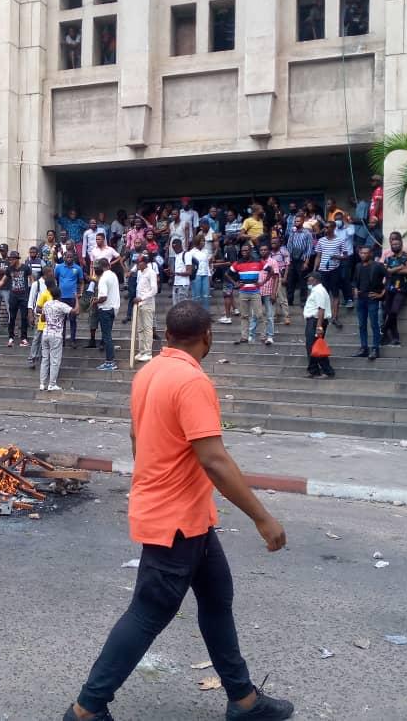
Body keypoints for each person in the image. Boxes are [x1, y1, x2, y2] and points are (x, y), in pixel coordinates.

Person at [63, 300, 292, 721]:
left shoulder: (148, 372)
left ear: (166, 335)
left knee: (217, 598)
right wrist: (263, 517)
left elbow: (137, 438)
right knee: (148, 613)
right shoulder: (191, 381)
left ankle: (243, 700)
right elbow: (214, 459)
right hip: (175, 523)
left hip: (189, 516)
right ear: (207, 337)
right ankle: (87, 709)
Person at [40, 283, 78, 391]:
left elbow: (42, 318)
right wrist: (76, 298)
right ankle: (52, 384)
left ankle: (42, 383)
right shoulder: (61, 305)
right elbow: (76, 311)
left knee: (45, 359)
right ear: (60, 295)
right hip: (56, 335)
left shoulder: (46, 304)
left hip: (45, 333)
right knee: (55, 360)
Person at [352, 245, 387, 360]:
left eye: (366, 253)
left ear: (370, 254)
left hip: (372, 299)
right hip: (361, 299)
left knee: (374, 324)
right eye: (361, 253)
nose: (363, 255)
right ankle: (364, 348)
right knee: (362, 325)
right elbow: (355, 281)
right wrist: (356, 290)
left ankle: (375, 349)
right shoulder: (358, 266)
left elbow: (390, 278)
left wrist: (382, 293)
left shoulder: (377, 266)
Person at [380, 232, 407, 347]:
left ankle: (383, 330)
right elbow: (386, 271)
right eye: (392, 245)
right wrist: (400, 267)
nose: (394, 246)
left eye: (397, 244)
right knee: (387, 312)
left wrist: (392, 270)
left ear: (401, 244)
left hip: (403, 288)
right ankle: (395, 338)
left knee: (394, 311)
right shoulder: (389, 258)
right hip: (390, 287)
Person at [0, 250, 31, 347]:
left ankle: (24, 338)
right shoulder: (9, 269)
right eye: (10, 259)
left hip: (24, 296)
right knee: (12, 317)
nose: (10, 261)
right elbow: (2, 281)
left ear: (17, 259)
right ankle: (11, 337)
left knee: (24, 317)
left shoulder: (25, 268)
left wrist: (32, 294)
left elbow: (32, 281)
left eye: (12, 259)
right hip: (13, 296)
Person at [228, 243, 262, 345]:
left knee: (259, 314)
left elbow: (270, 271)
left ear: (250, 251)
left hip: (255, 292)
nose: (244, 252)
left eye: (246, 250)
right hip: (243, 292)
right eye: (243, 251)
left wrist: (262, 283)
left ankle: (263, 336)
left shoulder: (258, 261)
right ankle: (244, 336)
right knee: (244, 316)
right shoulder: (238, 263)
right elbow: (227, 273)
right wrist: (235, 283)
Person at [303, 272, 335, 378]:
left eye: (309, 279)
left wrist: (319, 326)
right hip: (312, 321)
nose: (308, 281)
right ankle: (313, 370)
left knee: (315, 346)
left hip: (316, 321)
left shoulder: (319, 291)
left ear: (315, 280)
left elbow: (321, 309)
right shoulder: (315, 291)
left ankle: (327, 370)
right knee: (311, 346)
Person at [55, 249, 85, 348]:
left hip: (72, 298)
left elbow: (81, 282)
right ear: (64, 257)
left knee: (73, 320)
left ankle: (73, 340)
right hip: (61, 298)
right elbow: (56, 280)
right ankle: (61, 341)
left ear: (74, 258)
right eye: (67, 256)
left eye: (71, 257)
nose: (69, 258)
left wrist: (80, 292)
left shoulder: (78, 268)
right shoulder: (58, 267)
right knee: (61, 320)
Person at [94, 258, 119, 371]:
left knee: (106, 336)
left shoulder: (103, 278)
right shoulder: (113, 275)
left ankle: (110, 362)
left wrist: (95, 301)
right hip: (113, 308)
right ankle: (110, 359)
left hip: (105, 309)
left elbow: (103, 297)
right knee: (108, 335)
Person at [285, 213, 314, 308]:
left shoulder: (307, 233)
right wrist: (288, 259)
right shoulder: (292, 232)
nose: (296, 222)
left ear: (302, 222)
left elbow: (309, 249)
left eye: (298, 221)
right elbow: (289, 245)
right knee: (290, 280)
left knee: (302, 281)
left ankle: (303, 300)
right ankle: (289, 300)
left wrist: (306, 262)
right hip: (292, 260)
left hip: (302, 260)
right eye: (295, 221)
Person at [134, 254, 158, 362]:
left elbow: (154, 290)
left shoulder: (151, 273)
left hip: (147, 304)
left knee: (148, 328)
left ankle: (148, 352)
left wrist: (142, 298)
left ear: (144, 263)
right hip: (139, 304)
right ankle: (142, 351)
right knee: (140, 328)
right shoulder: (140, 272)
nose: (137, 265)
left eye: (139, 263)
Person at [27, 269, 54, 368]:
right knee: (37, 337)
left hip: (50, 316)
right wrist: (30, 315)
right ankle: (32, 357)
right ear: (46, 274)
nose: (53, 274)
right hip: (39, 315)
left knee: (45, 338)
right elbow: (31, 300)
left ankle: (43, 358)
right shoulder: (36, 284)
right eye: (51, 272)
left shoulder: (53, 285)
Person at [256, 243, 280, 345]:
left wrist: (274, 293)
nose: (263, 251)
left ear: (269, 251)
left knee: (270, 315)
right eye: (261, 250)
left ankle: (270, 336)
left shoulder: (273, 262)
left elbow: (276, 277)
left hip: (268, 292)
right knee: (256, 315)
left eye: (265, 250)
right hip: (257, 292)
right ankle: (257, 334)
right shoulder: (257, 262)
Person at [268, 235, 291, 327]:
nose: (273, 244)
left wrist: (285, 277)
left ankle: (286, 316)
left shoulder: (283, 252)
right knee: (273, 297)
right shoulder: (269, 254)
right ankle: (274, 315)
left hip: (280, 276)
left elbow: (287, 265)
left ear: (279, 243)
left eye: (275, 243)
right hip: (271, 278)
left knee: (282, 297)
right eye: (272, 243)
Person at [187, 234, 211, 311]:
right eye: (202, 241)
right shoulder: (191, 252)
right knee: (196, 296)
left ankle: (206, 314)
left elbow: (207, 264)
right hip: (196, 275)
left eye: (204, 241)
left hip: (205, 274)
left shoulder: (206, 251)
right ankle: (196, 314)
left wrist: (209, 275)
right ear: (197, 242)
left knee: (206, 296)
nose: (203, 242)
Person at [168, 238, 192, 306]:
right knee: (175, 305)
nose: (175, 249)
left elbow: (189, 272)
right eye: (173, 248)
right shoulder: (176, 256)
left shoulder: (187, 254)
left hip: (183, 284)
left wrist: (176, 273)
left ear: (181, 245)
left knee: (182, 306)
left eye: (176, 247)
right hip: (176, 284)